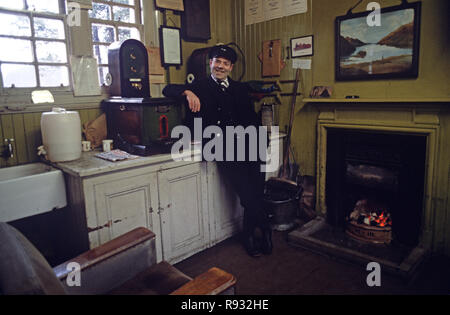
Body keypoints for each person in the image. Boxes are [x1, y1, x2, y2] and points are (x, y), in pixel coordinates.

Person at [163, 45, 272, 257]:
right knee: (247, 194)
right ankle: (262, 230)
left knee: (258, 190)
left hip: (251, 143)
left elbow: (251, 117)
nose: (220, 66)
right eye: (217, 61)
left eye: (225, 63)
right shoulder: (200, 86)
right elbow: (167, 89)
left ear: (231, 67)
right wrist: (187, 92)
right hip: (222, 146)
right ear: (210, 63)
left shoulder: (240, 88)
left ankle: (252, 232)